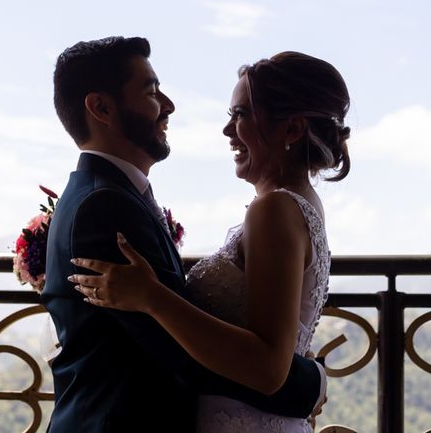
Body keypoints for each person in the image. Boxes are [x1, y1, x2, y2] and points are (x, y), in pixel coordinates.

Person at [42, 37, 327, 433]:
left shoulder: (115, 196)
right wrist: (308, 383)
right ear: (101, 108)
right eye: (151, 91)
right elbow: (180, 351)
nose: (169, 106)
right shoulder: (103, 206)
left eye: (241, 114)